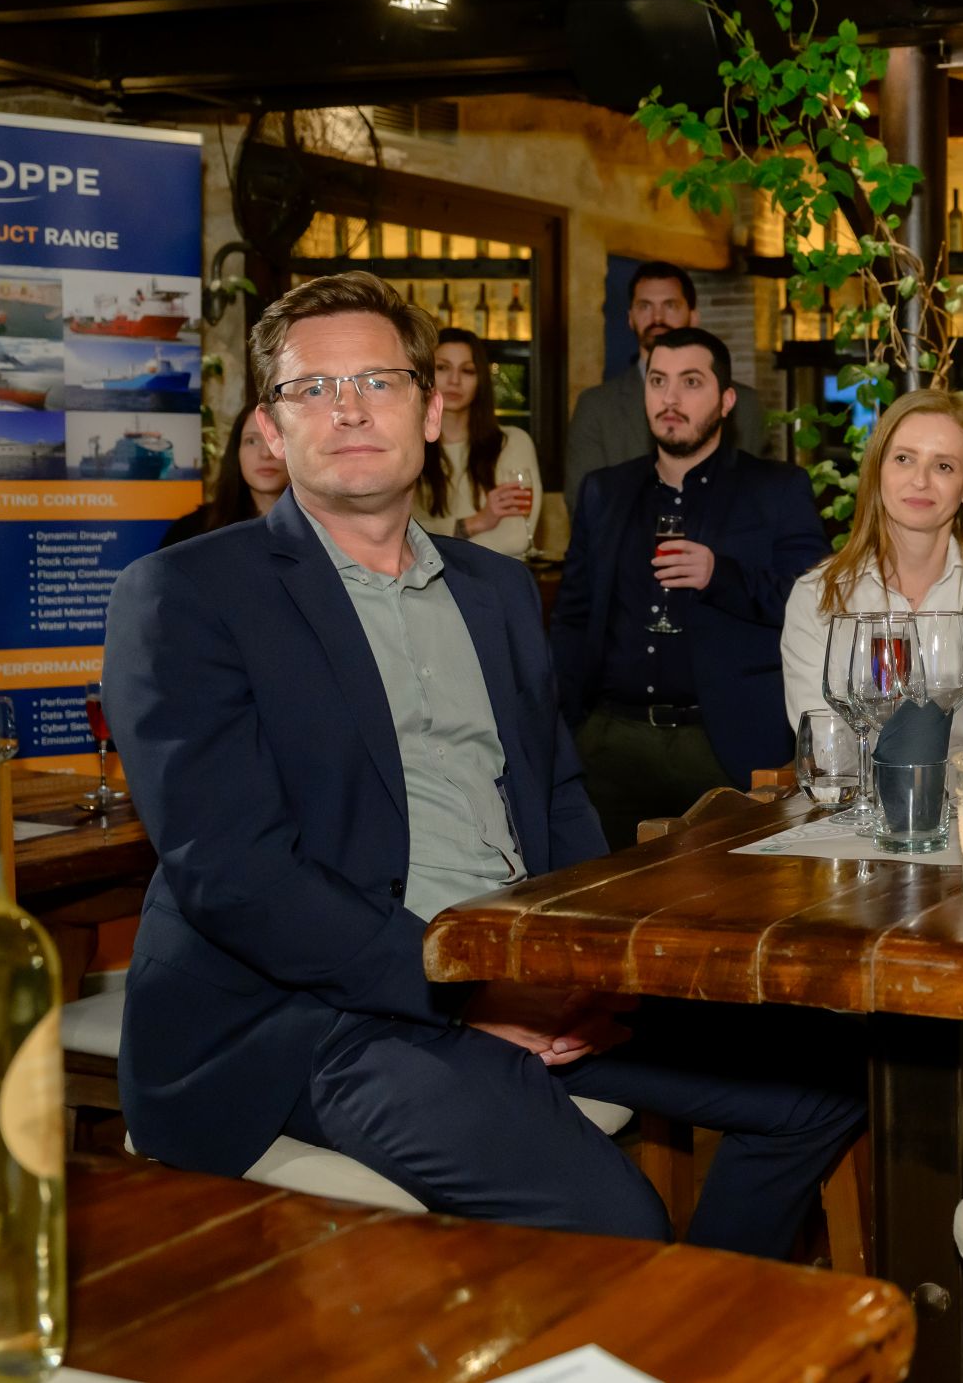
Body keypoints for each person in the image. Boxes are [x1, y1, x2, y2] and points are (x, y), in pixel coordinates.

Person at [102, 271, 862, 1259]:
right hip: (317, 1014)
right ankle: (657, 1307)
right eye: (312, 388)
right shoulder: (187, 594)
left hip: (513, 958)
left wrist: (581, 965)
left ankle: (709, 1312)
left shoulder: (494, 589)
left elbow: (553, 793)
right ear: (272, 427)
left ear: (431, 410)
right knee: (617, 1224)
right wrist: (465, 992)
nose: (348, 410)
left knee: (823, 1088)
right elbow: (236, 877)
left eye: (378, 381)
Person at [553, 327, 823, 848]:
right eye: (658, 381)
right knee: (590, 891)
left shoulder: (776, 489)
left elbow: (813, 603)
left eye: (691, 382)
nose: (670, 398)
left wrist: (720, 575)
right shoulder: (604, 491)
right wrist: (565, 728)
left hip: (723, 743)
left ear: (726, 401)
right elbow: (572, 617)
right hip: (610, 740)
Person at [781, 388, 963, 743]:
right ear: (877, 471)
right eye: (904, 459)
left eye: (943, 466)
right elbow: (825, 745)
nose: (920, 480)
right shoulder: (818, 597)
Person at [565, 261, 766, 489]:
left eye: (670, 305)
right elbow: (585, 499)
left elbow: (758, 492)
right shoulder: (595, 406)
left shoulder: (745, 405)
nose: (657, 318)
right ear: (630, 318)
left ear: (693, 316)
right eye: (645, 306)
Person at [414, 327, 540, 557]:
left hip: (499, 578)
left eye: (468, 370)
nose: (454, 380)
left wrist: (442, 536)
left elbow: (517, 538)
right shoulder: (409, 447)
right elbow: (403, 537)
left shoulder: (511, 443)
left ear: (481, 379)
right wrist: (478, 522)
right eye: (442, 368)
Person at [160, 404, 286, 546]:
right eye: (252, 441)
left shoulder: (307, 528)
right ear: (236, 451)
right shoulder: (190, 532)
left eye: (278, 438)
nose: (266, 453)